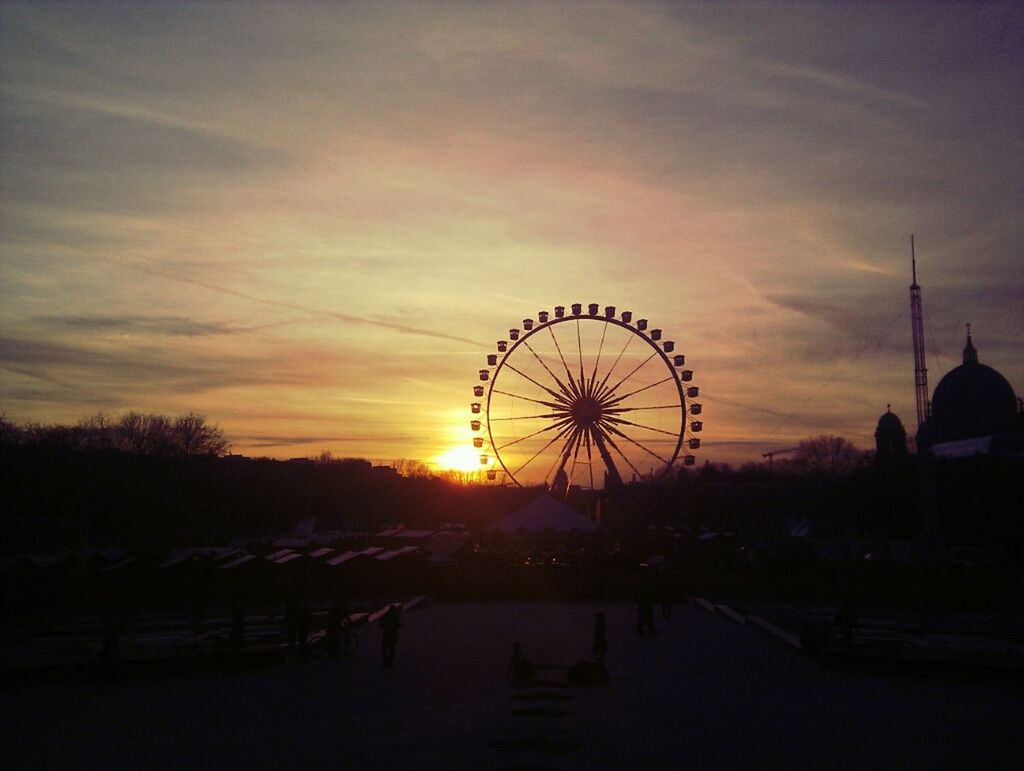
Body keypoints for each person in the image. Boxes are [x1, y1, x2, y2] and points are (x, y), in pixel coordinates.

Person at [380, 603, 401, 668]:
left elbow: (381, 624)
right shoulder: (396, 616)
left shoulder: (386, 615)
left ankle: (385, 660)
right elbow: (399, 624)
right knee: (392, 648)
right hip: (393, 634)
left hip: (386, 634)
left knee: (385, 648)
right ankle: (390, 661)